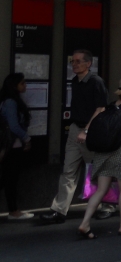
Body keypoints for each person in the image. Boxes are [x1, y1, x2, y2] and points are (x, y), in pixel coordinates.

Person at [39, 50, 108, 224]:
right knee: (68, 171)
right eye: (73, 61)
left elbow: (101, 108)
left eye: (78, 61)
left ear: (88, 64)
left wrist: (86, 130)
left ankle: (109, 204)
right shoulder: (74, 81)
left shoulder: (96, 82)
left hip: (90, 130)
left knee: (98, 170)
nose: (74, 64)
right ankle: (59, 210)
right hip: (75, 128)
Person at [77, 77, 121, 238]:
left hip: (103, 152)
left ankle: (85, 223)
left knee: (101, 190)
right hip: (120, 151)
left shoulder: (109, 107)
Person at [0, 73, 34, 220]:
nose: (25, 85)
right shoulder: (11, 102)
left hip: (10, 145)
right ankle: (14, 211)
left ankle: (14, 210)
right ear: (14, 86)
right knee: (10, 179)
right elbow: (14, 126)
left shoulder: (9, 101)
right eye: (22, 83)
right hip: (11, 146)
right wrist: (26, 139)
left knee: (8, 179)